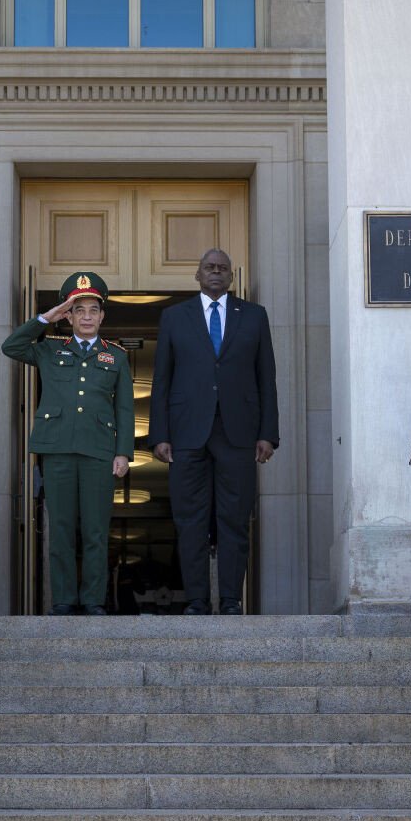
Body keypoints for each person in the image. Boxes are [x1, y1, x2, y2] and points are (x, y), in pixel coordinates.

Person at [149, 249, 279, 615]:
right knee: (190, 521)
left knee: (234, 520)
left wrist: (268, 433)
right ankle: (196, 600)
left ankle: (232, 600)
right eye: (210, 268)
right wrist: (160, 434)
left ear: (232, 277)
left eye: (223, 269)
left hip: (238, 434)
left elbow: (265, 378)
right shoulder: (174, 317)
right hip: (187, 435)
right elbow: (162, 379)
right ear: (198, 274)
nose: (216, 273)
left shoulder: (254, 316)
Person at [2, 272, 134, 614]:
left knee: (95, 530)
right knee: (60, 528)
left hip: (99, 452)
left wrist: (123, 453)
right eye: (79, 310)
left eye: (93, 309)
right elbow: (11, 346)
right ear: (69, 316)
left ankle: (92, 600)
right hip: (57, 450)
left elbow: (124, 408)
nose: (87, 316)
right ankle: (63, 599)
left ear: (102, 316)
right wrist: (47, 317)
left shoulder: (116, 357)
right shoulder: (48, 349)